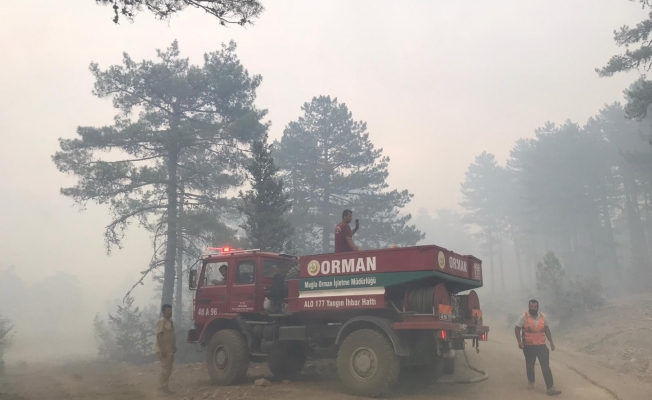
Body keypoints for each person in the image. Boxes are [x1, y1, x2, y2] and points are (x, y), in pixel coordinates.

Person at [515, 300, 561, 396]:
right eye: (531, 306)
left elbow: (546, 328)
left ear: (538, 307)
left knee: (545, 366)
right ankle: (531, 381)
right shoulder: (523, 317)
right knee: (530, 364)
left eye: (535, 306)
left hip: (541, 345)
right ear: (529, 306)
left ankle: (550, 387)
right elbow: (517, 328)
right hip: (528, 346)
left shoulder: (543, 317)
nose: (533, 308)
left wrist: (551, 342)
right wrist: (519, 341)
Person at [155, 304, 176, 396]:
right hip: (163, 350)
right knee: (165, 369)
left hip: (170, 350)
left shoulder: (170, 322)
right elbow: (159, 335)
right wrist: (162, 349)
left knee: (169, 369)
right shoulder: (161, 321)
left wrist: (174, 346)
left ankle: (165, 387)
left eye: (170, 310)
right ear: (163, 312)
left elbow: (171, 335)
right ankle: (161, 389)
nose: (170, 312)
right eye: (168, 310)